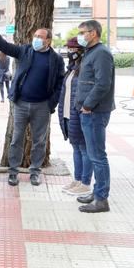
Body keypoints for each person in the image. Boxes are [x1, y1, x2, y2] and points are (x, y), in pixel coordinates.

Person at [0, 23, 65, 186]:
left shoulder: (55, 59)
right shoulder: (25, 50)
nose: (36, 39)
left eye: (40, 37)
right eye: (35, 36)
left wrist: (51, 103)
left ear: (48, 41)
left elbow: (60, 83)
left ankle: (35, 172)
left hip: (42, 106)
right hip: (21, 104)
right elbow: (5, 47)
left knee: (39, 141)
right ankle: (13, 171)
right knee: (16, 139)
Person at [74, 20, 115, 213]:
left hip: (95, 112)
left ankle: (101, 199)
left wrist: (88, 105)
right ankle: (96, 192)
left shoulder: (101, 53)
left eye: (83, 32)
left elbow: (102, 84)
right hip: (88, 111)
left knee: (98, 156)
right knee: (93, 154)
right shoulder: (91, 52)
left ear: (94, 33)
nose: (80, 36)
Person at [58, 37, 93, 197]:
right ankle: (77, 180)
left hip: (79, 113)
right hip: (68, 113)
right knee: (76, 148)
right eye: (69, 49)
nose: (70, 52)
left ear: (81, 51)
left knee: (84, 149)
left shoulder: (85, 68)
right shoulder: (71, 69)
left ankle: (85, 183)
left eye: (73, 49)